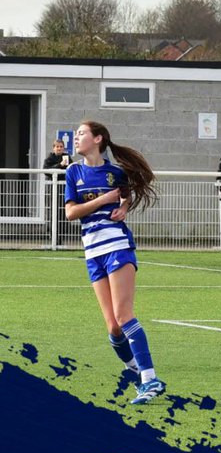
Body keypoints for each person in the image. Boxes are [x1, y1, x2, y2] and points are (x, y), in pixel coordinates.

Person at [62, 121, 167, 405]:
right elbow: (71, 213)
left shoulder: (115, 172)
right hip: (92, 251)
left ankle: (150, 378)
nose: (76, 138)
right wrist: (106, 201)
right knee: (113, 328)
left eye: (81, 133)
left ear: (98, 139)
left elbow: (126, 196)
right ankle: (137, 372)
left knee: (124, 315)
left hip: (117, 246)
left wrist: (122, 206)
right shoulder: (73, 171)